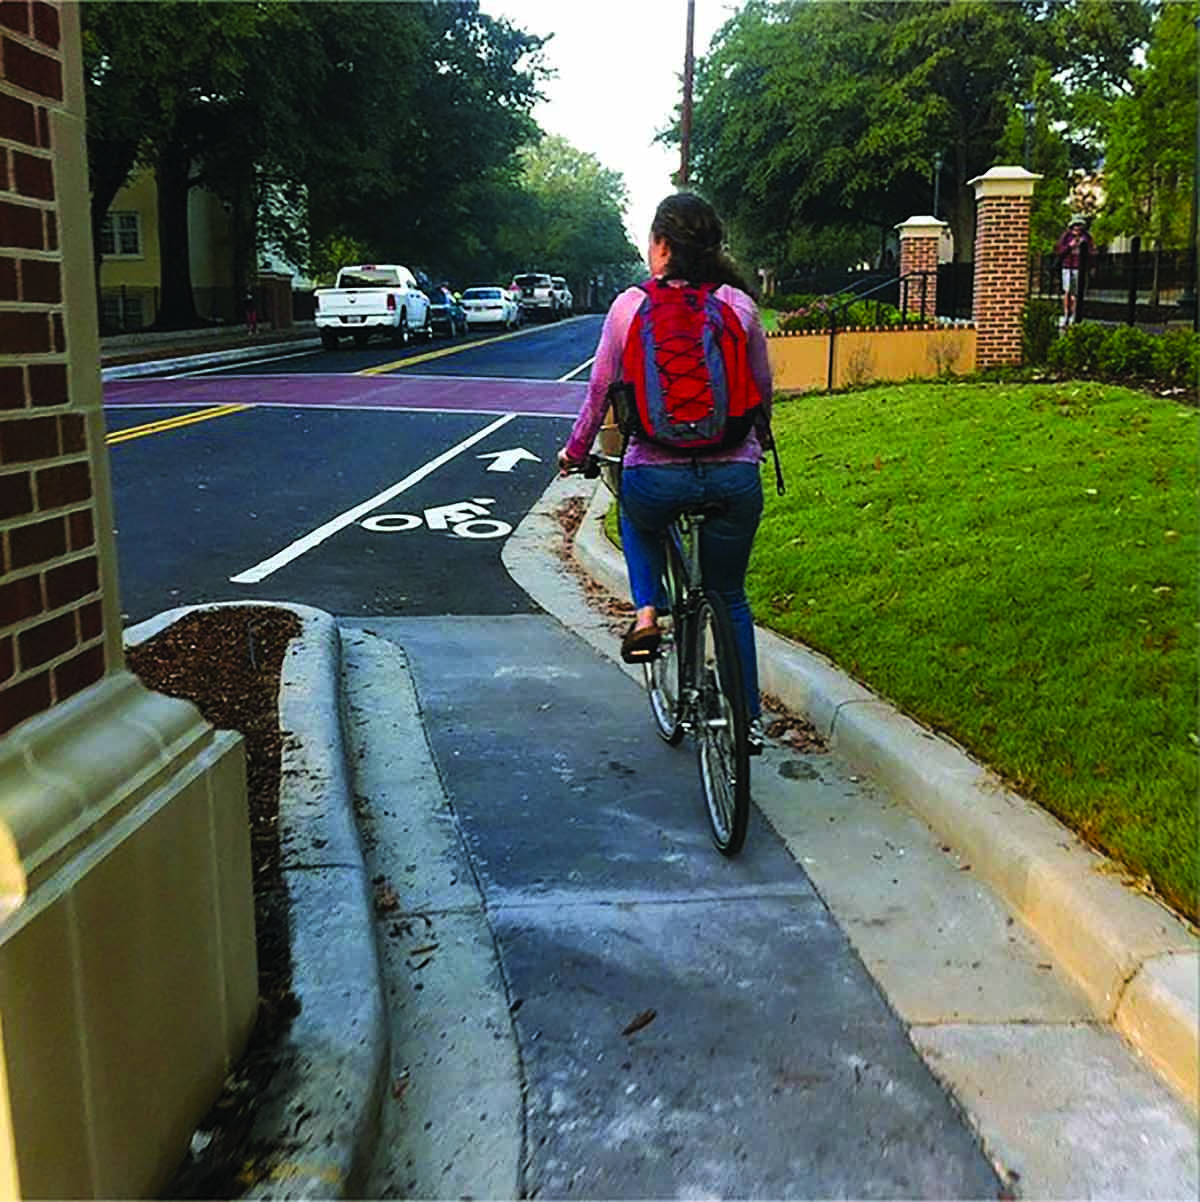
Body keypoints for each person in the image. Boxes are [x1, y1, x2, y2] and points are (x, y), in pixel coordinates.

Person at [557, 191, 773, 749]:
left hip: (657, 471)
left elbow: (600, 389)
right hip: (733, 474)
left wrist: (576, 451)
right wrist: (758, 439)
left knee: (637, 515)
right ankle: (748, 721)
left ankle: (648, 612)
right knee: (730, 596)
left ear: (660, 246)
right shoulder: (740, 305)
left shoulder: (630, 306)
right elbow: (761, 389)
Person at [1054, 216, 1096, 327]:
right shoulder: (1066, 237)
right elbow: (1060, 251)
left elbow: (1092, 252)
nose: (1077, 227)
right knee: (1067, 291)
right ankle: (1066, 314)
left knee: (1077, 293)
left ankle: (1074, 315)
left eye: (1079, 225)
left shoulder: (1086, 237)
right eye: (1075, 225)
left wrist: (1090, 264)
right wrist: (1069, 246)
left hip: (1080, 267)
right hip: (1068, 266)